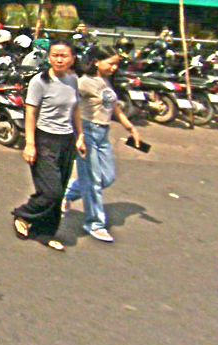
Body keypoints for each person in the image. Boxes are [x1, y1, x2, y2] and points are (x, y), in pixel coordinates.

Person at [12, 40, 86, 252]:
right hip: (45, 139)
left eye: (64, 56)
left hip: (67, 140)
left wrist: (80, 135)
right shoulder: (40, 81)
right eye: (55, 55)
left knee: (59, 192)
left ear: (72, 58)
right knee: (51, 191)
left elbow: (76, 110)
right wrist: (30, 144)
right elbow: (30, 112)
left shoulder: (73, 80)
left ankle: (45, 233)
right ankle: (23, 214)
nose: (59, 59)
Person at [63, 45, 140, 243]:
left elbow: (113, 106)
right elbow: (69, 104)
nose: (114, 68)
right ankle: (95, 223)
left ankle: (67, 194)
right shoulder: (84, 82)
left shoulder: (106, 81)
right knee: (93, 181)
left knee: (108, 177)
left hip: (103, 134)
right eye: (111, 63)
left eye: (117, 64)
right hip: (87, 131)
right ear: (96, 62)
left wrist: (130, 127)